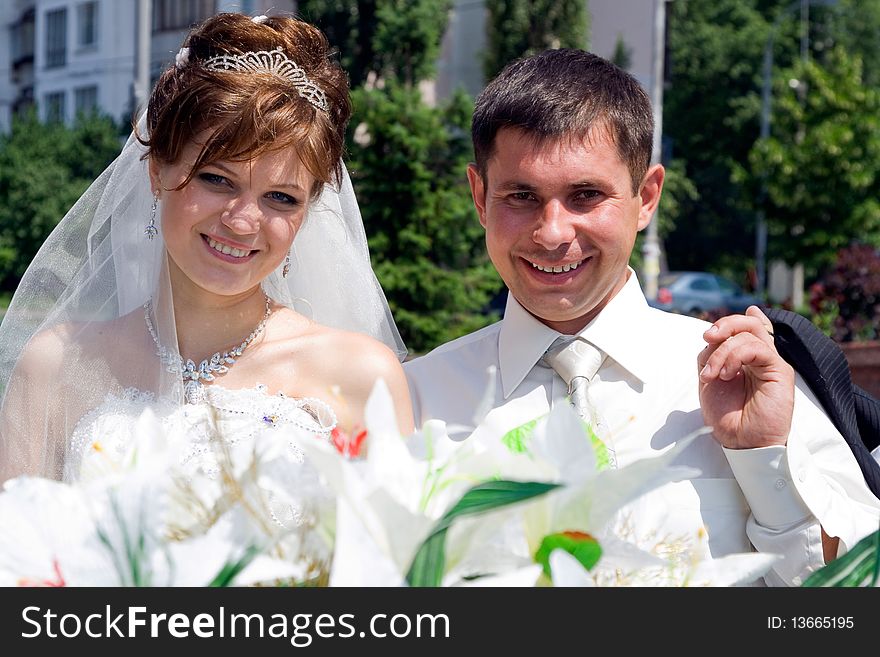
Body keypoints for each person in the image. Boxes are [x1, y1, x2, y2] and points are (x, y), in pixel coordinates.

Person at [403, 48, 880, 586]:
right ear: (480, 196)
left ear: (646, 196)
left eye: (586, 195)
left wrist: (767, 461)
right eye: (522, 196)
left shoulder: (750, 384)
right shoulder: (417, 400)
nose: (553, 232)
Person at [0, 13, 413, 488]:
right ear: (157, 170)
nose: (241, 221)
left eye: (281, 197)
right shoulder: (56, 366)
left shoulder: (362, 377)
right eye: (216, 180)